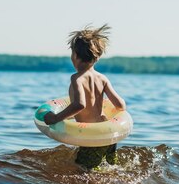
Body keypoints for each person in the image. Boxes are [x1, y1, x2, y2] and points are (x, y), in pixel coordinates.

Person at [44, 24, 127, 170]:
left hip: (93, 137)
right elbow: (121, 105)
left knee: (82, 171)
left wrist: (56, 118)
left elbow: (79, 105)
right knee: (111, 169)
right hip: (107, 133)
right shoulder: (102, 78)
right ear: (97, 57)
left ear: (74, 55)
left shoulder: (77, 78)